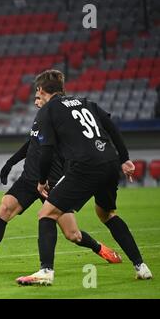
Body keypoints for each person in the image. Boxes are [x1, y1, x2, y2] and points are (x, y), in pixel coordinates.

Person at [16, 70, 152, 285]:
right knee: (107, 214)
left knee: (46, 214)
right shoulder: (85, 101)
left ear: (41, 90)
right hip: (109, 162)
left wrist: (42, 181)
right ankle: (141, 266)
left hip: (85, 166)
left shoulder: (48, 111)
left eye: (37, 91)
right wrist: (124, 159)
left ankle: (46, 272)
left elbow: (46, 151)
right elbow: (111, 128)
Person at [0, 90, 122, 272]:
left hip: (51, 183)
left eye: (38, 98)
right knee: (5, 207)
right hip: (28, 179)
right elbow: (31, 143)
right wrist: (10, 163)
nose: (35, 102)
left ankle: (100, 248)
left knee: (73, 234)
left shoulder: (59, 119)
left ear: (48, 96)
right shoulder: (41, 118)